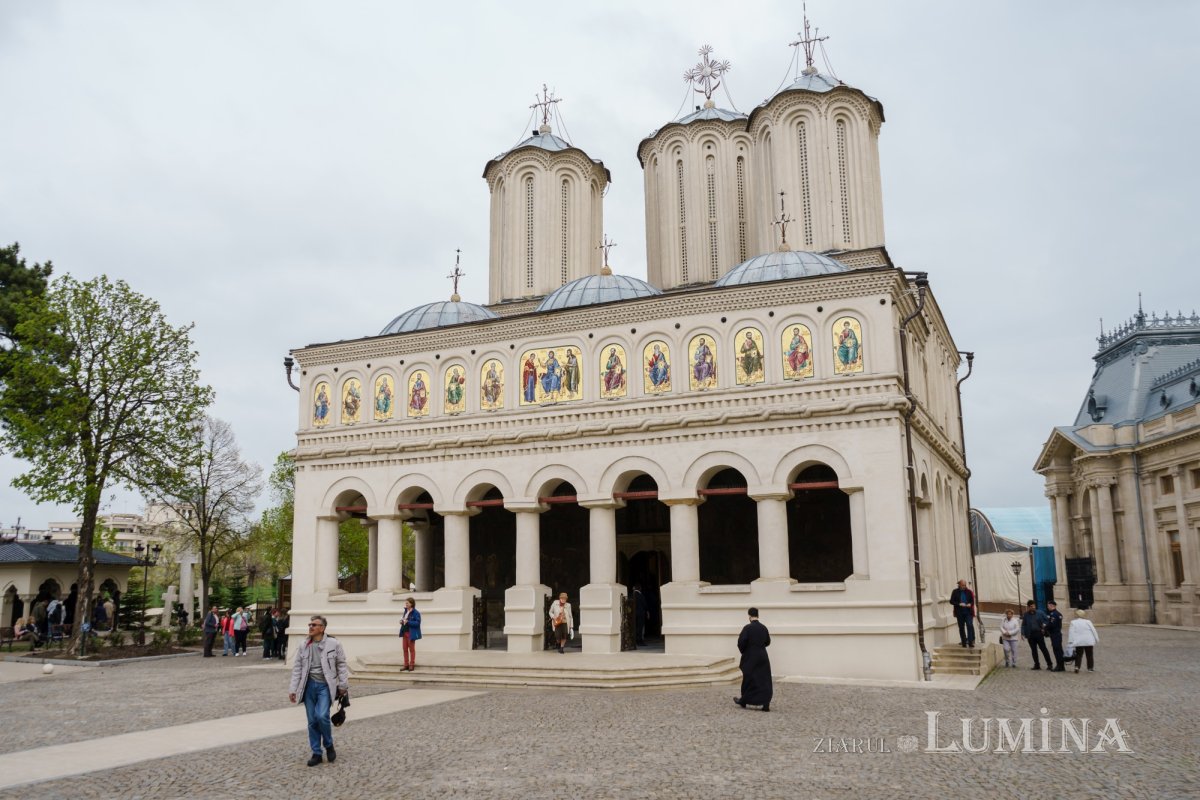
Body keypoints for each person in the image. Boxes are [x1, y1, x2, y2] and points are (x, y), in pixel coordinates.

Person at [288, 615, 350, 767]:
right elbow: (297, 668)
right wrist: (293, 688)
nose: (310, 627)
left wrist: (343, 685)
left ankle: (328, 744)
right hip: (308, 686)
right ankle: (316, 752)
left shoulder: (334, 643)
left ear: (322, 628)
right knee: (312, 721)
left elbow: (341, 664)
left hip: (325, 686)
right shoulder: (304, 645)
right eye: (309, 624)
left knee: (322, 716)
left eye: (314, 625)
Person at [734, 607, 772, 712]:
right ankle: (765, 703)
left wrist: (745, 651)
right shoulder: (764, 628)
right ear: (757, 615)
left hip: (751, 656)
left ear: (749, 616)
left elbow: (741, 642)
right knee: (764, 679)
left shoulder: (747, 628)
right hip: (763, 656)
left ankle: (744, 700)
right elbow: (768, 642)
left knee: (749, 678)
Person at [1020, 600, 1052, 670]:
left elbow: (1047, 620)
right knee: (1033, 650)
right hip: (1030, 635)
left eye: (1034, 606)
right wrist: (1022, 633)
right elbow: (1023, 625)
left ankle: (1049, 664)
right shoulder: (1026, 615)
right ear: (1028, 607)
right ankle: (1037, 665)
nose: (1033, 607)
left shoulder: (1040, 613)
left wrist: (1044, 625)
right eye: (1031, 606)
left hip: (1039, 633)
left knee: (1043, 649)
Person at [947, 579, 976, 648]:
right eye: (963, 585)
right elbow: (951, 601)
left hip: (968, 612)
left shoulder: (969, 592)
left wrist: (970, 604)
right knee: (961, 627)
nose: (964, 586)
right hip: (959, 612)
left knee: (969, 625)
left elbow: (972, 601)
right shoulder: (955, 592)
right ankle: (963, 642)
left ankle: (970, 641)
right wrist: (959, 604)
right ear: (959, 585)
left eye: (965, 585)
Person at [399, 597, 422, 671]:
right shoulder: (406, 611)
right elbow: (404, 620)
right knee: (405, 649)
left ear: (411, 604)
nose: (406, 604)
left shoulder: (416, 613)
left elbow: (417, 623)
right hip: (404, 632)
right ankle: (406, 665)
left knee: (411, 650)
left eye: (407, 603)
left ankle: (411, 665)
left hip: (411, 633)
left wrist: (408, 622)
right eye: (406, 603)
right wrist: (402, 621)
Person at [1045, 600, 1066, 671]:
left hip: (1055, 634)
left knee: (1057, 650)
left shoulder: (1053, 614)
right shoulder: (1058, 613)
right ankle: (1061, 665)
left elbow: (1052, 624)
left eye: (1048, 606)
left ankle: (1059, 666)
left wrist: (1045, 626)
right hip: (1057, 634)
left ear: (1052, 606)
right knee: (1059, 650)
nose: (1047, 607)